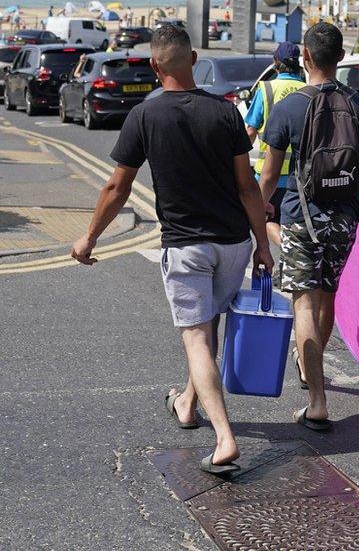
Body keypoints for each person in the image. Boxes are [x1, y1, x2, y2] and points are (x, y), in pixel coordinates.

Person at [70, 25, 274, 475]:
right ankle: (186, 404)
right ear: (195, 58)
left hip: (186, 247)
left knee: (197, 338)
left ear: (154, 65)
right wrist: (262, 246)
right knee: (207, 325)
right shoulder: (225, 114)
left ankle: (224, 438)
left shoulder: (145, 116)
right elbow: (247, 188)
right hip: (233, 244)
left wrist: (90, 237)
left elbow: (116, 187)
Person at [257, 22, 359, 431]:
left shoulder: (289, 107)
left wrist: (261, 208)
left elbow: (269, 173)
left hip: (302, 219)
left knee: (304, 304)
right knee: (326, 296)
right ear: (342, 57)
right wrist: (358, 185)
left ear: (305, 57)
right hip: (346, 219)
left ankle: (316, 400)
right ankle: (309, 368)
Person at [244, 41, 306, 247]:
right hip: (301, 176)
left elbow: (250, 131)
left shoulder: (266, 89)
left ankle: (286, 252)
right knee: (297, 226)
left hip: (268, 175)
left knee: (267, 222)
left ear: (276, 63)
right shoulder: (309, 90)